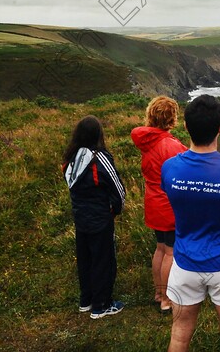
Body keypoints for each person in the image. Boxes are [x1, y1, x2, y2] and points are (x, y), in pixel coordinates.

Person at [161, 95, 220, 352]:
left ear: (186, 126)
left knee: (179, 335)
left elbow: (175, 200)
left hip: (184, 261)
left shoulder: (169, 168)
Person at [62, 115, 126, 319]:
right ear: (99, 134)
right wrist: (115, 210)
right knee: (103, 260)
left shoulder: (70, 159)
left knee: (85, 259)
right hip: (100, 218)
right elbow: (118, 190)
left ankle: (86, 300)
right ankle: (101, 305)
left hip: (80, 218)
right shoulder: (100, 158)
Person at [131, 96, 187, 314]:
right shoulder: (173, 146)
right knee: (171, 252)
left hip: (153, 201)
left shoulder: (146, 140)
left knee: (160, 248)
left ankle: (158, 293)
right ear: (172, 118)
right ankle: (166, 299)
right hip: (168, 204)